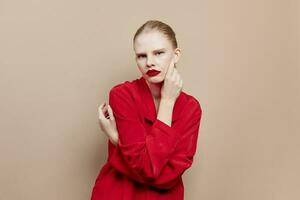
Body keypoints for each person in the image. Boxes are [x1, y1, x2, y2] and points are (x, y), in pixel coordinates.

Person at [91, 20, 203, 200]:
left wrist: (117, 140)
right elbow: (149, 169)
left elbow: (167, 177)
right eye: (141, 56)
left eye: (159, 53)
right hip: (117, 194)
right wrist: (167, 101)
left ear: (176, 55)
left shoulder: (191, 108)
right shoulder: (122, 95)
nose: (149, 62)